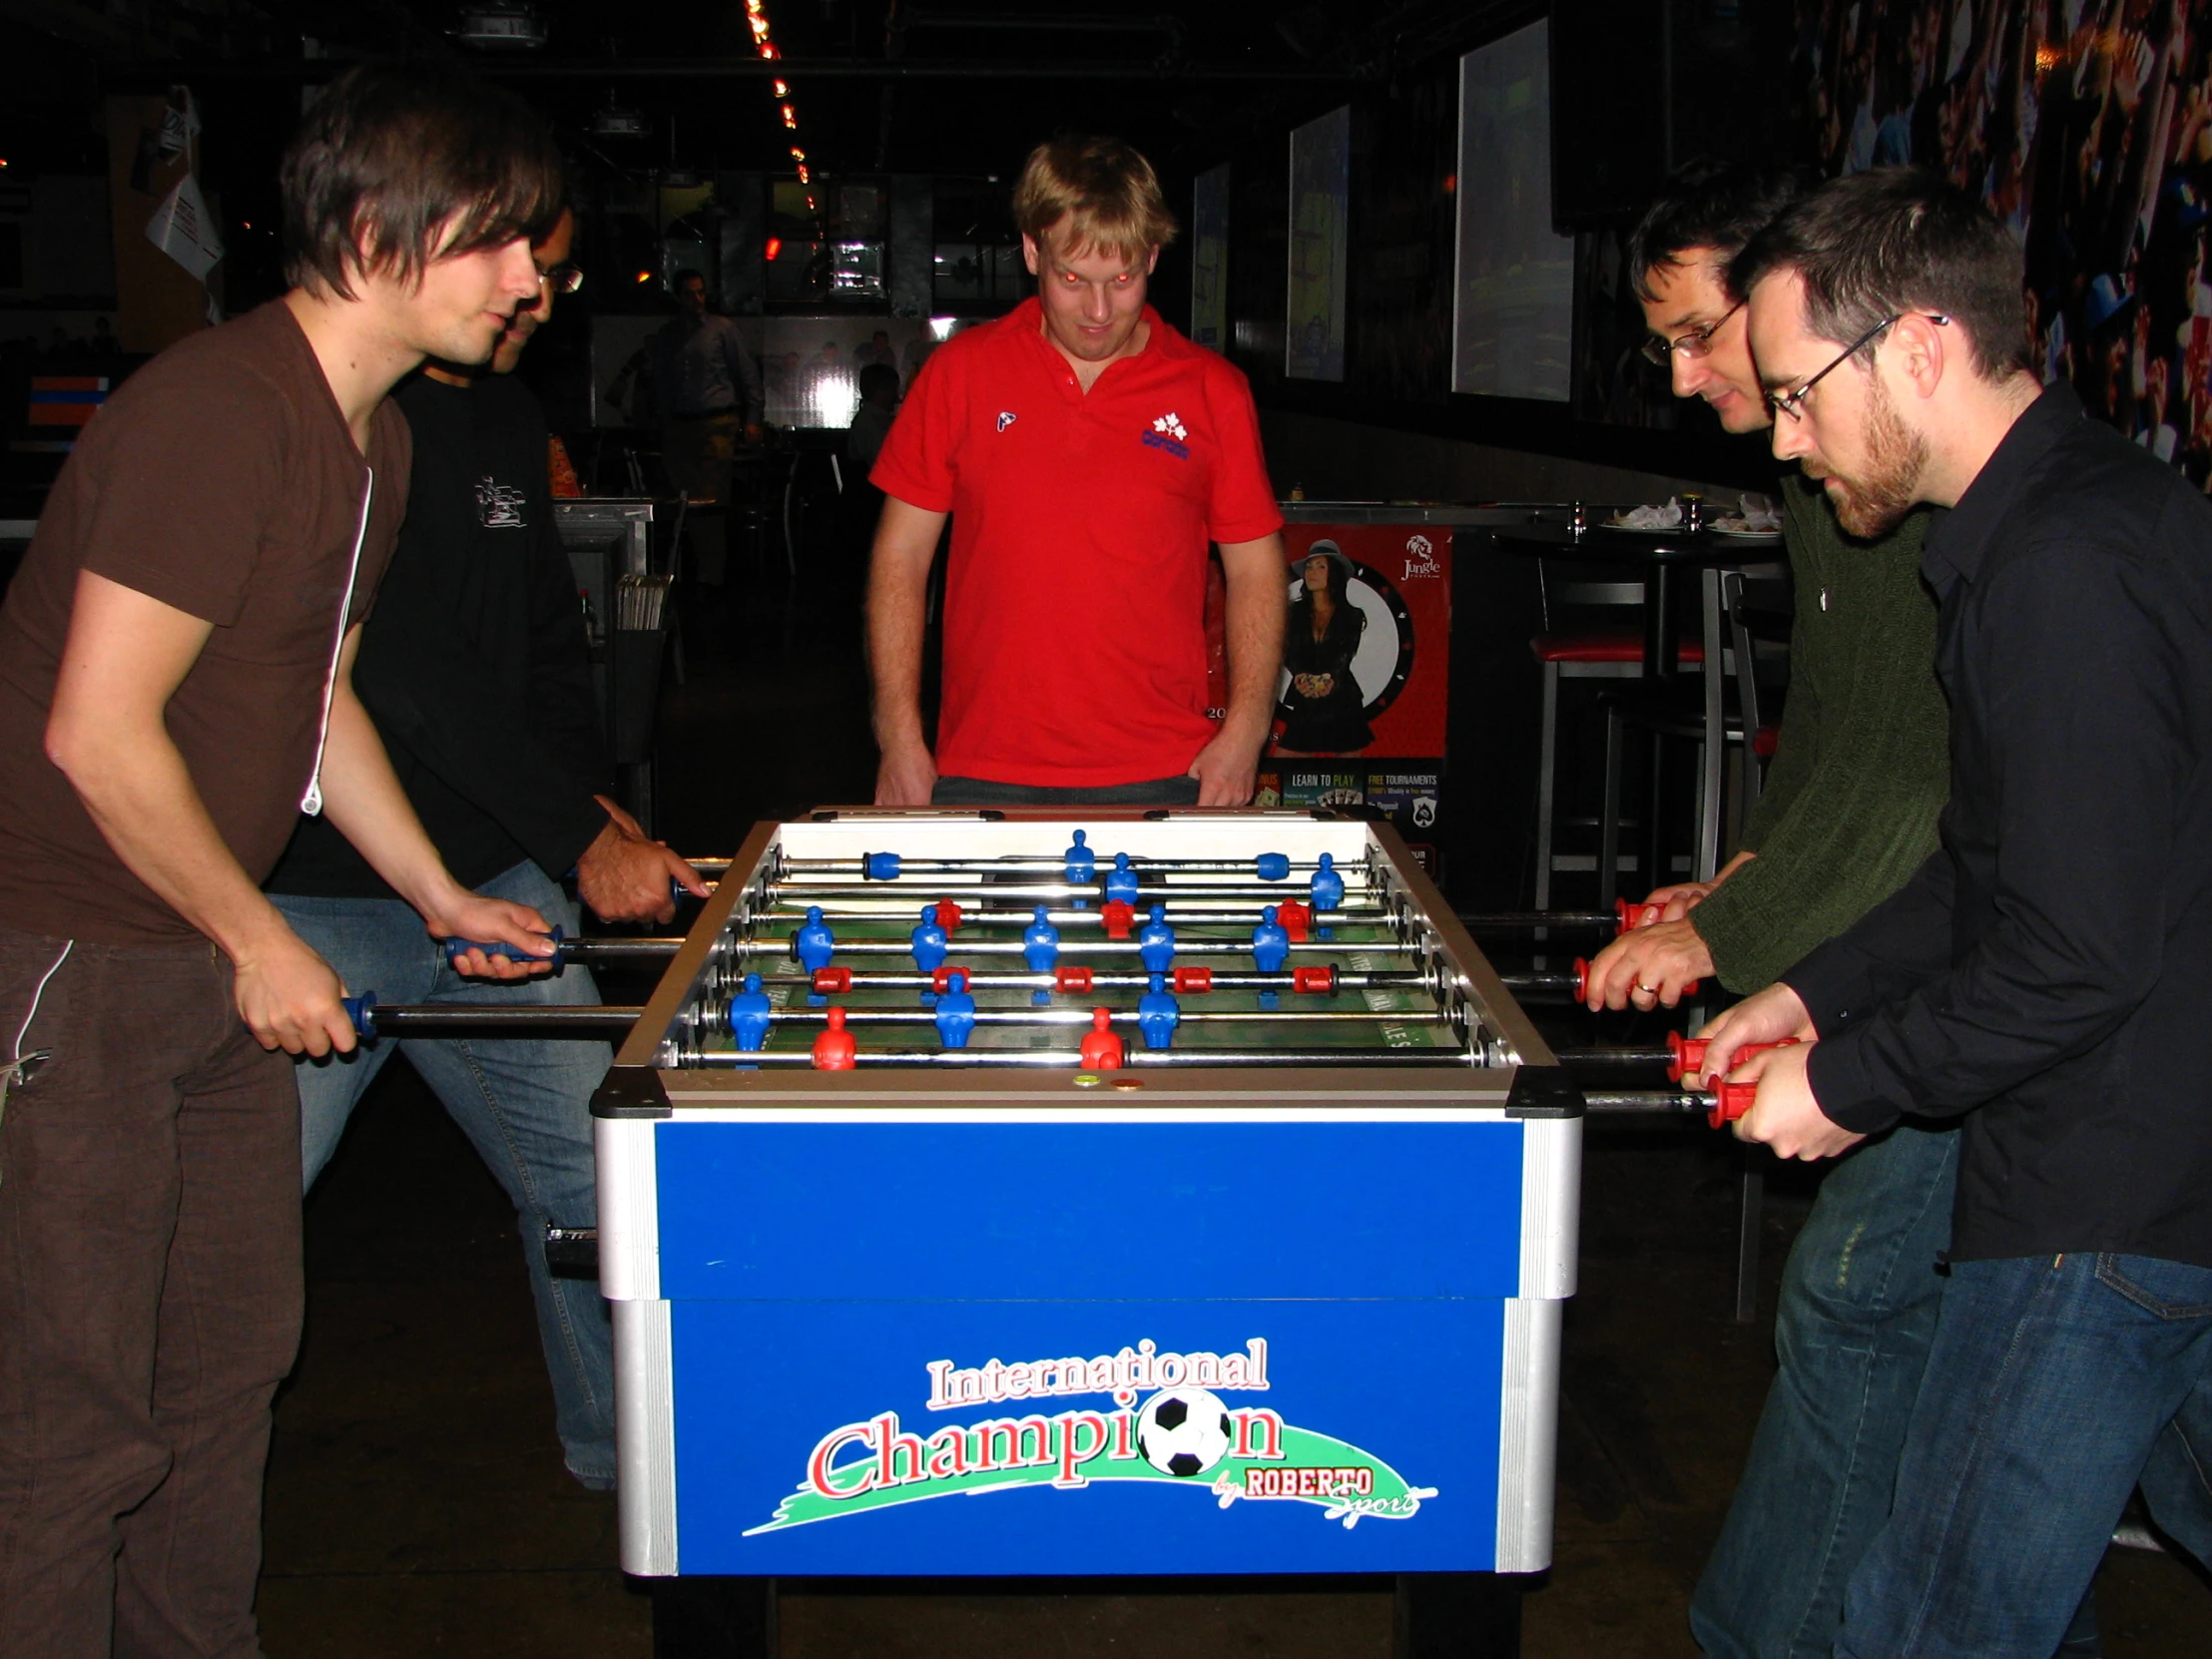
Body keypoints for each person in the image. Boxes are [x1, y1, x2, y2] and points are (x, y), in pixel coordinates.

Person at [0, 63, 563, 1657]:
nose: (535, 282)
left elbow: (318, 705)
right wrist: (258, 934)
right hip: (74, 958)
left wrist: (439, 895)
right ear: (380, 229)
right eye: (504, 244)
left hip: (198, 957)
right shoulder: (217, 416)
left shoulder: (374, 445)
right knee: (69, 1412)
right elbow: (96, 733)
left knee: (227, 1360)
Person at [1699, 166, 2212, 1659]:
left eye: (1798, 395)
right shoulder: (2074, 515)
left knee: (1930, 1628)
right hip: (2159, 1168)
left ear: (1918, 346)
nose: (1787, 439)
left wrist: (1847, 1085)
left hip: (2104, 1194)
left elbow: (2075, 951)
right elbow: (1990, 865)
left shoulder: (2062, 569)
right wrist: (1810, 998)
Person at [263, 206, 708, 1492]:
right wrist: (570, 836)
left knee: (585, 1179)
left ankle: (630, 1468)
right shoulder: (348, 416)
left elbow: (541, 650)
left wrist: (590, 811)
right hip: (315, 894)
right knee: (232, 1210)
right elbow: (401, 672)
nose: (540, 295)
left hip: (493, 885)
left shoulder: (509, 417)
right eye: (519, 265)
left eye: (558, 270)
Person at [1581, 165, 1954, 1659]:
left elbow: (1934, 788)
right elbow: (1847, 739)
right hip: (1942, 934)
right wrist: (1745, 883)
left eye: (1695, 336)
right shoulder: (1818, 478)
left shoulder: (1932, 492)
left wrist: (1731, 939)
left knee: (1865, 1298)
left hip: (2021, 963)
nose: (1682, 379)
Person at [867, 136, 1286, 807]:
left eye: (1123, 281)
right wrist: (897, 734)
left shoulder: (1214, 391)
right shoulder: (960, 375)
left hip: (1166, 765)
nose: (1098, 312)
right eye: (1073, 280)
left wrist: (1246, 730)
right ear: (1033, 252)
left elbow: (1256, 570)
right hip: (982, 761)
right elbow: (901, 558)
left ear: (1151, 256)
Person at [648, 268, 764, 586]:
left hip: (716, 421)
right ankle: (689, 568)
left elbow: (746, 374)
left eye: (701, 292)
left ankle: (710, 572)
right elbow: (660, 380)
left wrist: (752, 418)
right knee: (682, 498)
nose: (697, 299)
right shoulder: (669, 335)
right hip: (680, 424)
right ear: (678, 297)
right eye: (690, 293)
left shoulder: (721, 329)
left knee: (711, 499)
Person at [1275, 543, 1372, 754]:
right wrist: (1300, 675)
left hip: (1343, 697)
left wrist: (1331, 679)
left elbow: (1345, 654)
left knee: (1350, 766)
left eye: (1320, 566)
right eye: (1309, 567)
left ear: (1334, 573)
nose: (1312, 573)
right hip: (1306, 694)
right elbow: (1288, 651)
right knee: (1284, 761)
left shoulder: (1352, 615)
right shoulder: (1294, 612)